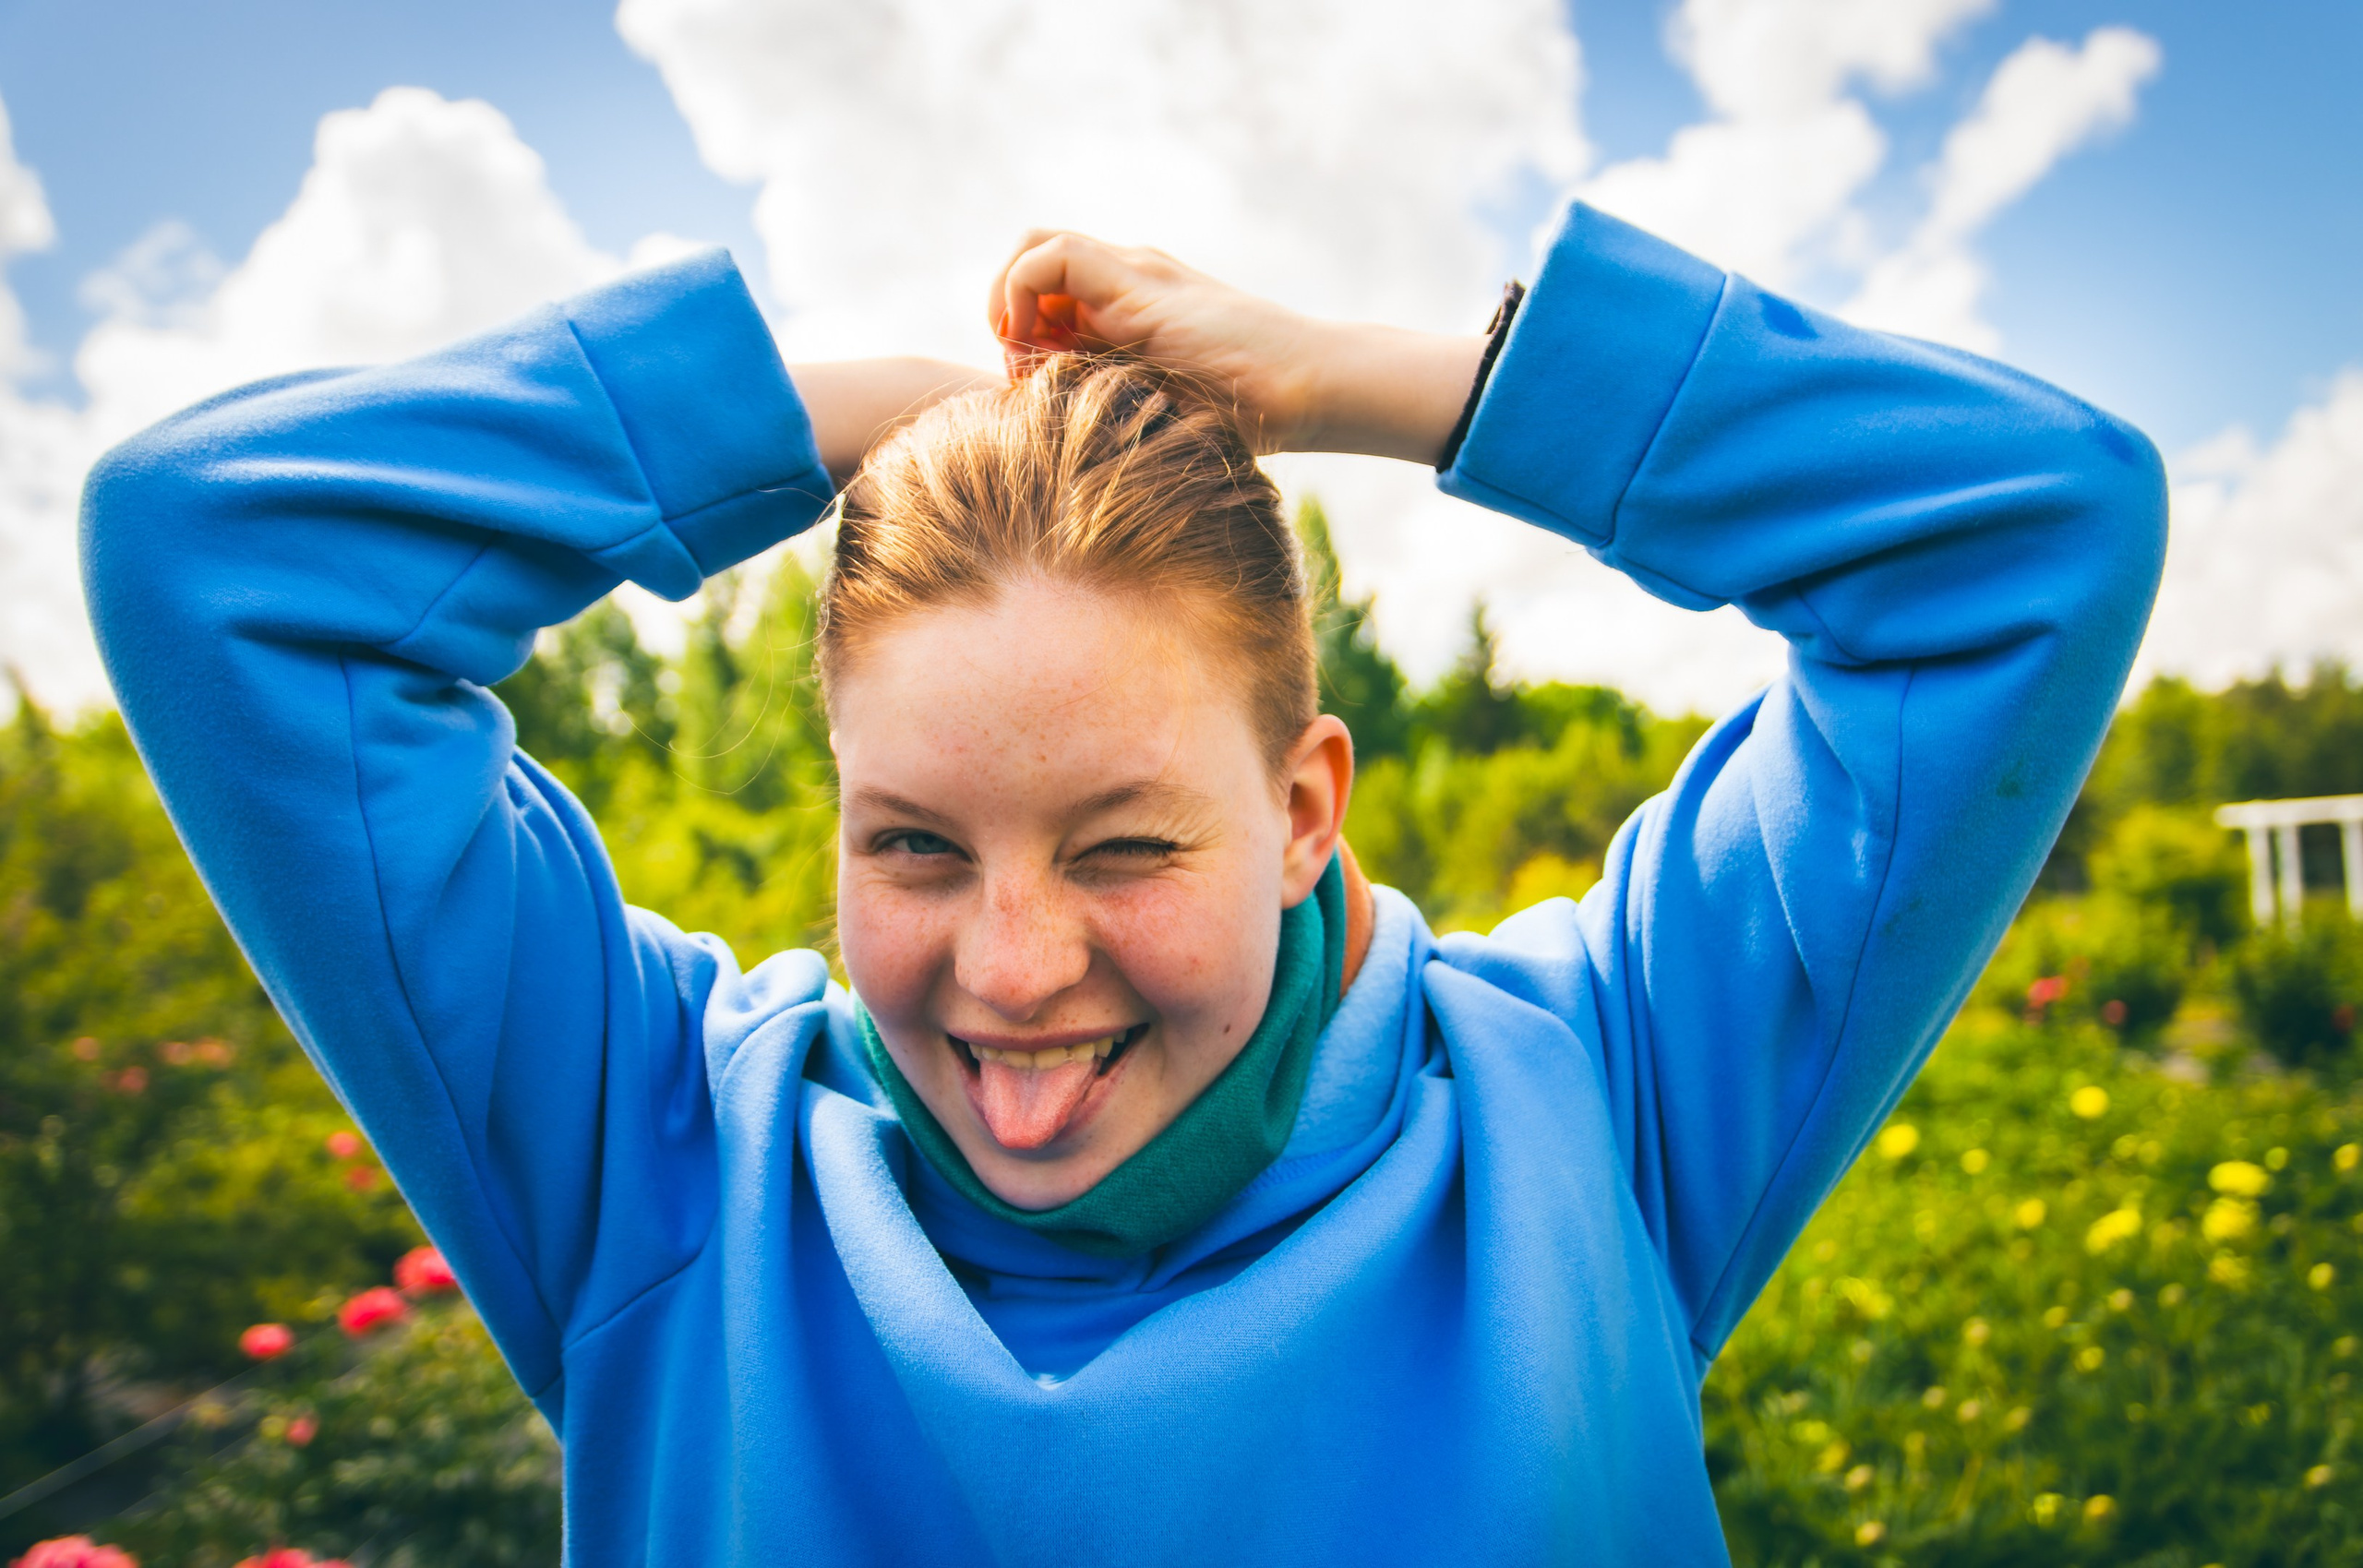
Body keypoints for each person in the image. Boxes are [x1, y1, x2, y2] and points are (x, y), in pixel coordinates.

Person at [82, 202, 2165, 1565]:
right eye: (910, 842)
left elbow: (2023, 534)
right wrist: (826, 433)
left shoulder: (1598, 1099)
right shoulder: (653, 1150)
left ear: (1303, 807)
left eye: (1124, 844)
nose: (1007, 974)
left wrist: (1354, 381)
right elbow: (216, 556)